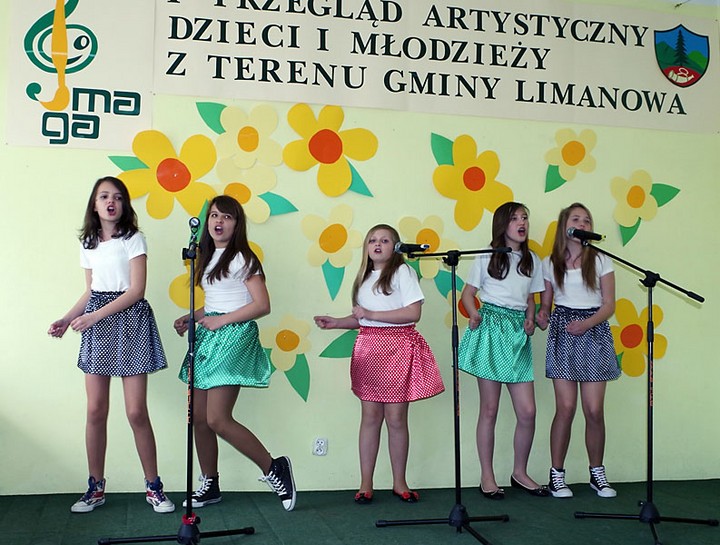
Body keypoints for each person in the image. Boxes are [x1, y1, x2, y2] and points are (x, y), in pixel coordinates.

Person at [48, 176, 174, 514]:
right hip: (98, 323)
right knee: (95, 410)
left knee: (136, 411)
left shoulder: (134, 239)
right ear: (94, 204)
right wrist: (67, 318)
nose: (111, 202)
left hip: (130, 321)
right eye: (104, 196)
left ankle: (154, 487)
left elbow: (136, 291)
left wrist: (93, 317)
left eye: (117, 197)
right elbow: (91, 290)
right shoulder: (88, 243)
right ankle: (95, 488)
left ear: (124, 204)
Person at [173, 195, 296, 512]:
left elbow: (262, 305)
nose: (219, 221)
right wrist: (194, 316)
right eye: (215, 215)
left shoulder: (243, 257)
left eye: (227, 217)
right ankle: (210, 483)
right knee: (199, 419)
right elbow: (219, 301)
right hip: (210, 338)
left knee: (217, 418)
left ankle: (274, 467)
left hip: (234, 337)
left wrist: (221, 321)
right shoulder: (207, 256)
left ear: (237, 224)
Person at [314, 224, 445, 505]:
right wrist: (336, 322)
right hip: (369, 349)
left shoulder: (403, 272)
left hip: (397, 348)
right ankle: (366, 483)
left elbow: (413, 313)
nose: (377, 244)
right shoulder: (363, 277)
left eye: (385, 240)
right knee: (370, 417)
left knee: (396, 418)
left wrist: (370, 313)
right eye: (372, 240)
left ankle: (399, 482)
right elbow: (363, 319)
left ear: (395, 247)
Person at [457, 202, 548, 500]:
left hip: (517, 333)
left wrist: (530, 318)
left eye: (525, 218)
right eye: (515, 218)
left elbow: (531, 298)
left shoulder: (532, 260)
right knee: (490, 408)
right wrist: (474, 314)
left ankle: (519, 472)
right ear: (502, 225)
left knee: (528, 411)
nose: (522, 223)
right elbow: (468, 294)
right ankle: (487, 476)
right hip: (492, 328)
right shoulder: (487, 255)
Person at [536, 203, 620, 499]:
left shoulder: (601, 260)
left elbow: (608, 305)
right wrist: (542, 315)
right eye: (576, 219)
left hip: (593, 332)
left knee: (594, 410)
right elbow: (546, 304)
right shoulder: (550, 263)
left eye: (587, 220)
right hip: (564, 333)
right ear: (565, 225)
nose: (582, 224)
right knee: (566, 408)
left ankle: (597, 473)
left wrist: (586, 324)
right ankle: (557, 475)